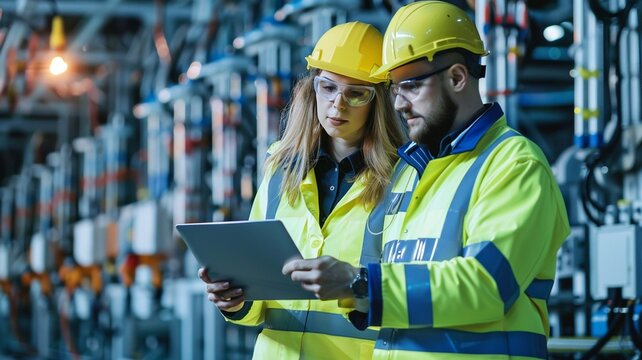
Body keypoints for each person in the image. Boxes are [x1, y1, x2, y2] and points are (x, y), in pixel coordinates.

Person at [282, 2, 570, 359]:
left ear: (457, 78)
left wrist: (358, 283)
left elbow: (487, 286)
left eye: (412, 86)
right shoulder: (408, 174)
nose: (399, 104)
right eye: (395, 89)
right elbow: (381, 292)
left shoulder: (514, 164)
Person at [198, 21, 405, 359]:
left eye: (356, 93)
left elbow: (406, 291)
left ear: (378, 101)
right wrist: (234, 300)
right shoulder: (280, 171)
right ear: (312, 88)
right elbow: (258, 304)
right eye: (328, 87)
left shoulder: (403, 179)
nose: (338, 106)